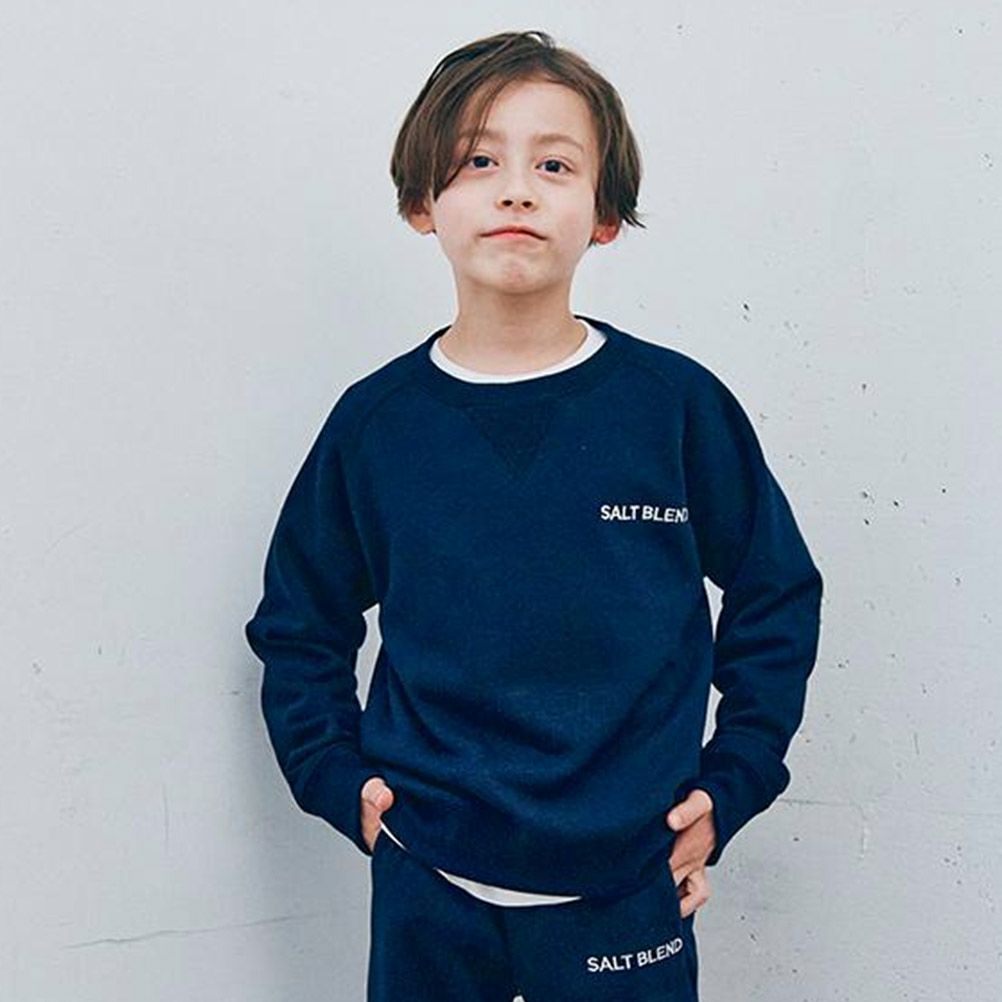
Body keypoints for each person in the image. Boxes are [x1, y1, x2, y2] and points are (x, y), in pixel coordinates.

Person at [244, 29, 823, 1002]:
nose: (516, 190)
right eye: (479, 160)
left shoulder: (674, 409)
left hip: (627, 879)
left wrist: (734, 782)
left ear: (604, 216)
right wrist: (337, 780)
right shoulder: (376, 426)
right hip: (430, 872)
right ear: (423, 202)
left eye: (554, 165)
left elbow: (777, 594)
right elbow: (300, 623)